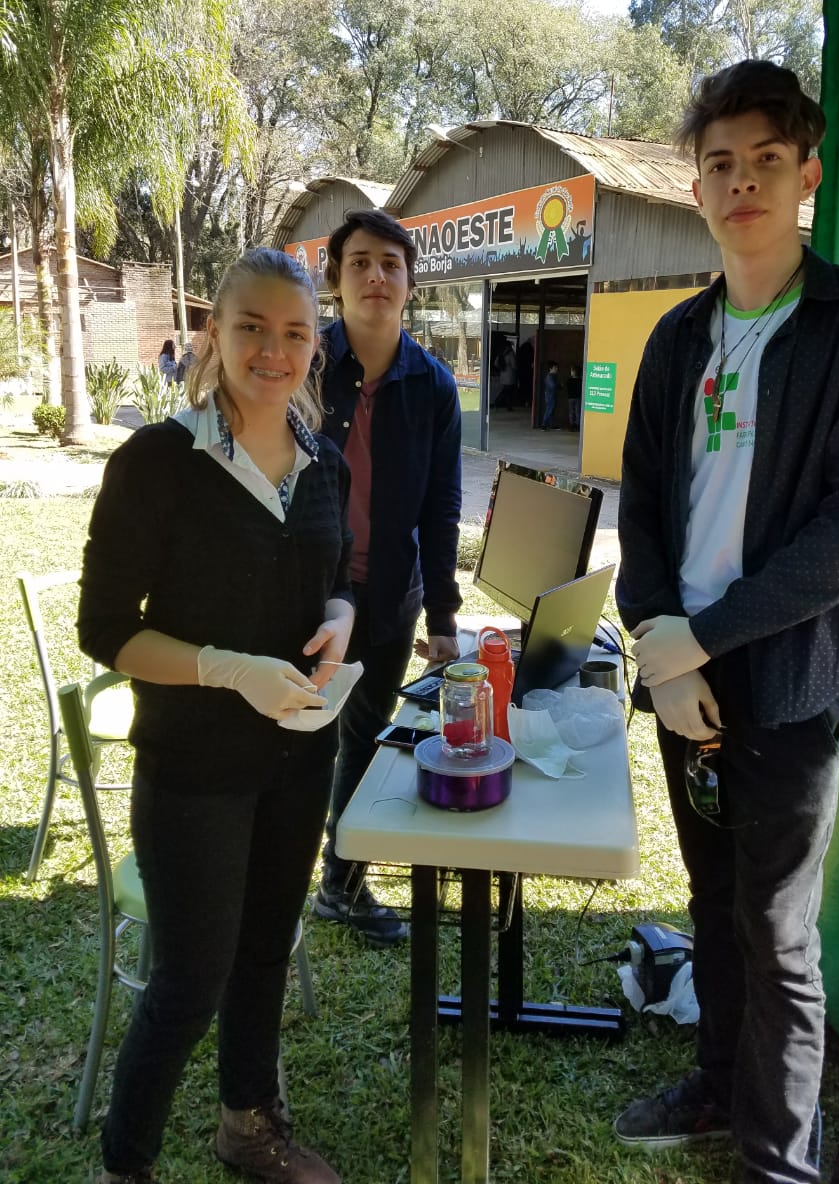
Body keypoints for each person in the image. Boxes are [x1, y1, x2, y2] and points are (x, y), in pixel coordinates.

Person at [615, 60, 839, 1182]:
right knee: (710, 899)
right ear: (696, 187)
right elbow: (642, 504)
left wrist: (705, 636)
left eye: (767, 160)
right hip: (681, 670)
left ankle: (779, 1159)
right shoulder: (677, 338)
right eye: (722, 164)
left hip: (786, 680)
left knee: (779, 930)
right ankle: (715, 1084)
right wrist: (662, 647)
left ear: (808, 177)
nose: (743, 182)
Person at [78, 248, 353, 1184]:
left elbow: (336, 576)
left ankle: (249, 1127)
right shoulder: (159, 462)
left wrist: (342, 617)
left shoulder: (322, 462)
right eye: (252, 328)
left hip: (299, 757)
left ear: (314, 346)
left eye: (294, 333)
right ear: (214, 334)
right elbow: (106, 630)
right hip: (193, 769)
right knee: (192, 980)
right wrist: (229, 670)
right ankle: (126, 1165)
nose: (273, 351)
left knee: (265, 953)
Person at [310, 208, 462, 947]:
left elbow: (442, 509)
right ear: (336, 279)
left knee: (366, 736)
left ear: (409, 282)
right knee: (298, 736)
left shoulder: (433, 386)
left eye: (391, 264)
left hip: (390, 595)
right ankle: (272, 867)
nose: (376, 275)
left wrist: (444, 619)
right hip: (306, 590)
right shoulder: (303, 361)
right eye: (360, 262)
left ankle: (339, 885)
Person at [492, 342, 517, 410]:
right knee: (507, 391)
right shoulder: (510, 354)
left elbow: (495, 363)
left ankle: (507, 406)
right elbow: (514, 365)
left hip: (502, 374)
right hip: (510, 375)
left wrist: (501, 368)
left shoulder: (501, 353)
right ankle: (497, 402)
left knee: (506, 391)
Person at [541, 360, 559, 428]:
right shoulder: (550, 376)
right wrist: (559, 385)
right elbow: (552, 386)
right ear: (550, 368)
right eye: (555, 367)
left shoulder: (553, 376)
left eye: (556, 367)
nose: (556, 369)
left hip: (551, 395)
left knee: (551, 410)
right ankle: (544, 424)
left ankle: (551, 424)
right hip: (550, 396)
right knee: (549, 410)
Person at [565, 365, 581, 430]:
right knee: (577, 412)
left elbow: (566, 388)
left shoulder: (569, 380)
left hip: (571, 398)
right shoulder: (580, 380)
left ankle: (572, 425)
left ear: (574, 372)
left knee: (571, 412)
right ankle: (577, 425)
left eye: (572, 371)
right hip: (578, 398)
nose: (571, 372)